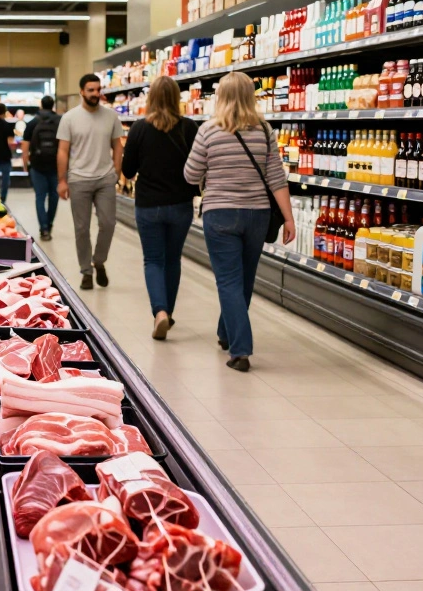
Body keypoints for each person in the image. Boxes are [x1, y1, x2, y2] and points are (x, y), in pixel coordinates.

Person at [184, 72, 295, 372]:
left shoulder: (208, 130)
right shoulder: (263, 130)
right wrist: (289, 218)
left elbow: (190, 175)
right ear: (250, 95)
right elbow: (276, 176)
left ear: (220, 96)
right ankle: (226, 332)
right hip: (257, 214)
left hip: (220, 214)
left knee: (228, 281)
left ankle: (241, 349)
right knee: (244, 279)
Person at [121, 76, 199, 340]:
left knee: (153, 260)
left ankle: (160, 312)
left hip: (149, 205)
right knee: (173, 259)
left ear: (151, 98)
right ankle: (168, 312)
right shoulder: (190, 127)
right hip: (180, 204)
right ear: (177, 98)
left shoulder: (139, 129)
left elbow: (128, 170)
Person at [58, 73, 124, 290]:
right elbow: (63, 151)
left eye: (98, 89)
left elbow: (118, 146)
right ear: (81, 92)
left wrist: (116, 171)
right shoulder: (69, 118)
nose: (96, 94)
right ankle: (86, 271)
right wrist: (62, 180)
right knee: (81, 228)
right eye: (91, 90)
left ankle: (99, 260)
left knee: (108, 223)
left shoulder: (111, 116)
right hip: (79, 179)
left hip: (105, 178)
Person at [22, 95, 62, 240]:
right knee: (54, 196)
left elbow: (25, 144)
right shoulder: (59, 121)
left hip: (37, 165)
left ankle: (43, 228)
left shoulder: (33, 122)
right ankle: (49, 224)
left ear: (41, 105)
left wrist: (25, 163)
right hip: (55, 164)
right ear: (52, 105)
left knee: (40, 197)